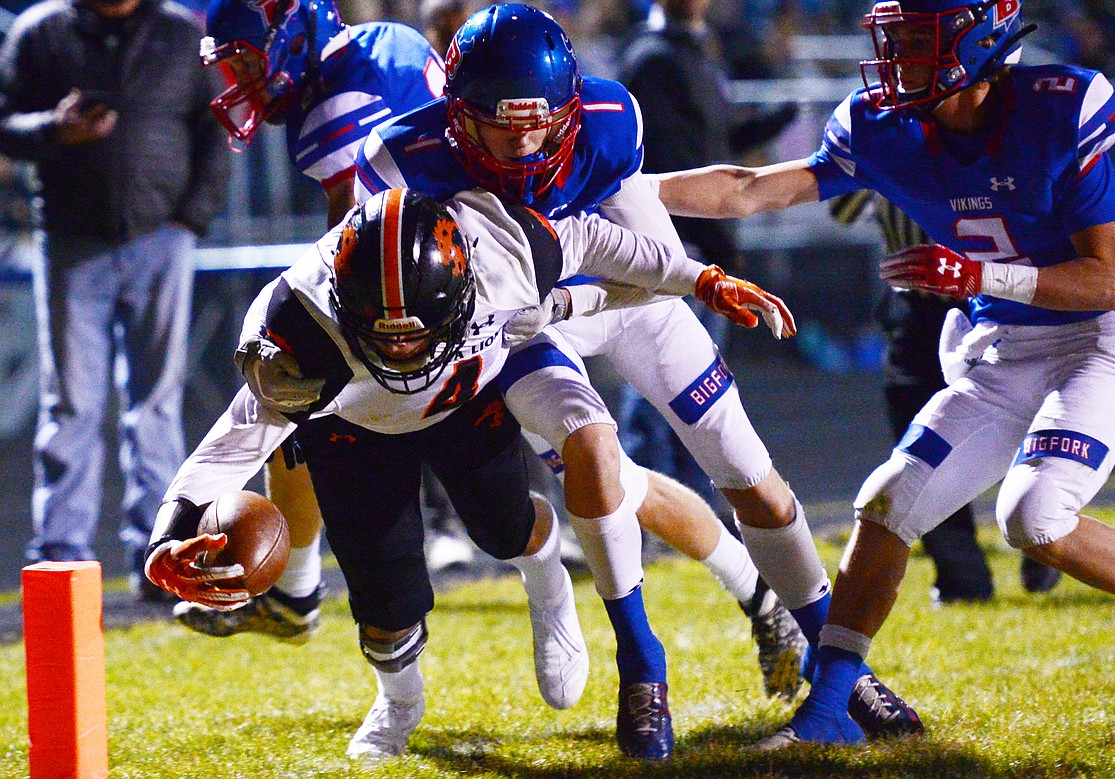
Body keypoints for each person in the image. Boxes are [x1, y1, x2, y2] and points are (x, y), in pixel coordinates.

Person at [353, 3, 921, 759]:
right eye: (501, 123)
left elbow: (646, 274)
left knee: (753, 476)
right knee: (593, 454)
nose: (524, 140)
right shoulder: (402, 159)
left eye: (539, 121)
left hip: (623, 296)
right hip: (525, 325)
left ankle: (841, 664)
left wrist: (623, 289)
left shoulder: (609, 121)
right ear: (457, 115)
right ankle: (641, 665)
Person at [655, 0, 1115, 746]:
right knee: (887, 503)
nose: (895, 58)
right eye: (893, 40)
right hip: (1002, 350)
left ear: (980, 43)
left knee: (1034, 517)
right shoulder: (885, 125)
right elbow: (748, 188)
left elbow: (1113, 280)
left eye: (915, 43)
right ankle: (830, 711)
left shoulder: (1055, 110)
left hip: (1098, 339)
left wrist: (977, 275)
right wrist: (628, 186)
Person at [143, 186, 791, 759]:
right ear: (344, 302)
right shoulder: (302, 330)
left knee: (507, 523)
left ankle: (546, 576)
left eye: (415, 332)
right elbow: (234, 443)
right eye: (383, 334)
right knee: (381, 589)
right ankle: (399, 701)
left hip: (465, 396)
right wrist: (167, 536)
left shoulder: (497, 248)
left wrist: (696, 276)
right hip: (353, 425)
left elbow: (591, 237)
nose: (400, 349)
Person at [172, 0, 445, 639]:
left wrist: (324, 327)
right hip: (454, 260)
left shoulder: (334, 106)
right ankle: (296, 596)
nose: (238, 81)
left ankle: (306, 595)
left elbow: (349, 239)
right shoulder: (385, 42)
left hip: (435, 289)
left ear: (289, 37)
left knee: (297, 385)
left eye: (245, 60)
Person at [0, 0, 231, 599]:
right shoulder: (41, 32)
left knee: (155, 401)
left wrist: (190, 221)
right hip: (73, 241)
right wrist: (54, 128)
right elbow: (4, 125)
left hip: (161, 237)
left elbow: (216, 130)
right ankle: (60, 563)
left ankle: (160, 557)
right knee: (72, 402)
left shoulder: (181, 33)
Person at [831, 190, 1060, 603]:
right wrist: (873, 161)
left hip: (993, 303)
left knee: (1022, 418)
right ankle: (962, 578)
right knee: (924, 442)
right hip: (916, 309)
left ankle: (1044, 530)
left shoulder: (987, 137)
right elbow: (841, 207)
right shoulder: (880, 137)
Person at [615, 0, 798, 506]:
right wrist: (693, 245)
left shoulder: (688, 54)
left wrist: (766, 126)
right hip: (674, 247)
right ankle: (657, 508)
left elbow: (707, 142)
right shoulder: (653, 59)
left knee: (689, 387)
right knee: (666, 388)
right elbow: (667, 162)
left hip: (697, 243)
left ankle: (686, 507)